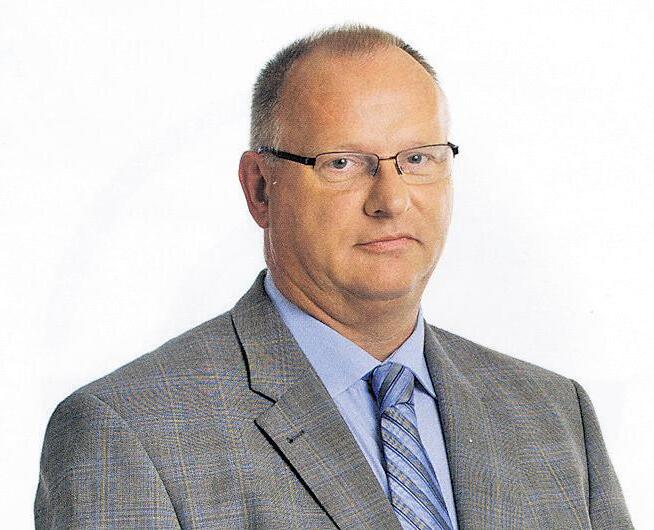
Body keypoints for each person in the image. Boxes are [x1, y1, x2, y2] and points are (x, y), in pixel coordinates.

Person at [35, 25, 632, 529]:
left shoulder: (555, 415)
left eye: (418, 158)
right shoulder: (127, 434)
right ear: (260, 188)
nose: (391, 200)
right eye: (342, 163)